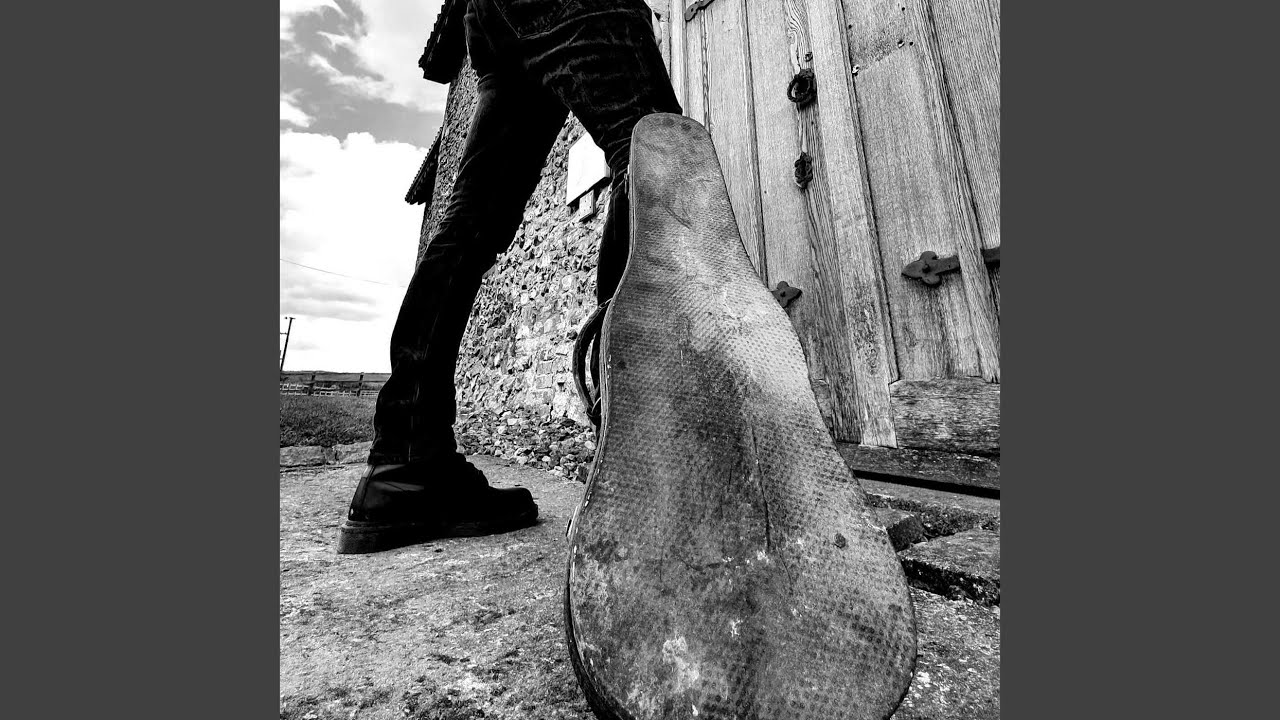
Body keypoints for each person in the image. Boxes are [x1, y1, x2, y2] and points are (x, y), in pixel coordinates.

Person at [337, 0, 682, 554]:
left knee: (471, 221)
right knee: (660, 158)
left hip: (492, 15)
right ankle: (643, 465)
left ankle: (405, 466)